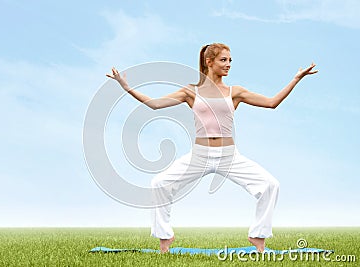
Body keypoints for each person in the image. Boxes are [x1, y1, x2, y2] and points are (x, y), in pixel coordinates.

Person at [106, 43, 318, 253]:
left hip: (229, 156)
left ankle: (258, 236)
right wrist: (126, 87)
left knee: (270, 185)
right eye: (223, 60)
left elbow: (272, 102)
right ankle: (165, 238)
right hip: (200, 155)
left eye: (230, 61)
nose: (228, 65)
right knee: (159, 183)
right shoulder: (191, 91)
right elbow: (155, 104)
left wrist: (296, 79)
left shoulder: (235, 92)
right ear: (209, 62)